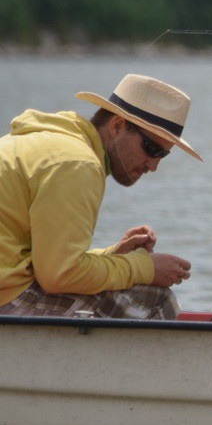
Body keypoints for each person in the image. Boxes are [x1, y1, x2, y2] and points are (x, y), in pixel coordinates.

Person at [0, 74, 201, 319]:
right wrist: (145, 267)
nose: (153, 165)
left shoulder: (53, 145)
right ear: (117, 126)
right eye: (151, 149)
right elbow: (58, 276)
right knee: (155, 299)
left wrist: (114, 255)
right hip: (7, 296)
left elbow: (48, 264)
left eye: (163, 155)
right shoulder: (77, 164)